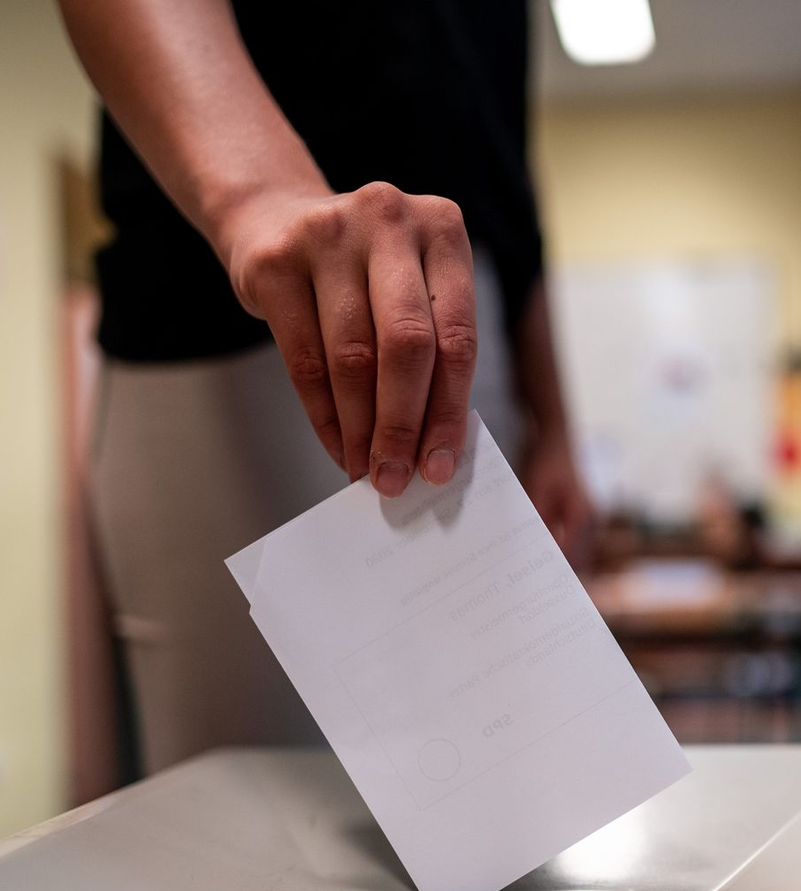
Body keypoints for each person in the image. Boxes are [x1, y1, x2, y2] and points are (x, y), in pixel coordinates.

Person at [57, 0, 590, 775]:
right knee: (264, 828)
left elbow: (500, 148)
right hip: (241, 321)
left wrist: (554, 419)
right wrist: (259, 199)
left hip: (467, 354)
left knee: (494, 807)